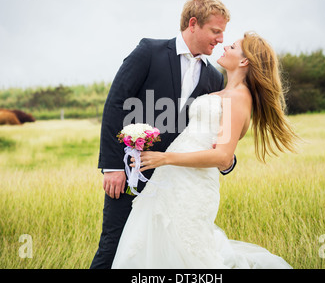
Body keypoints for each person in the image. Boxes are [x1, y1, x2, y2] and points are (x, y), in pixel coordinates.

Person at [111, 31, 299, 269]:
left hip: (193, 182)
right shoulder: (220, 91)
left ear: (244, 61)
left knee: (188, 248)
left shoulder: (240, 97)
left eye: (232, 47)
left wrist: (165, 158)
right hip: (172, 177)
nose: (224, 47)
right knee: (154, 240)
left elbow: (223, 155)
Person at [90, 0, 236, 269]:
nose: (219, 39)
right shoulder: (149, 51)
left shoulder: (214, 77)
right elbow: (116, 103)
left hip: (178, 185)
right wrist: (112, 167)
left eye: (222, 33)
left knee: (166, 257)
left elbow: (211, 131)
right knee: (114, 246)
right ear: (193, 24)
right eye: (215, 31)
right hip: (132, 172)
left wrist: (225, 159)